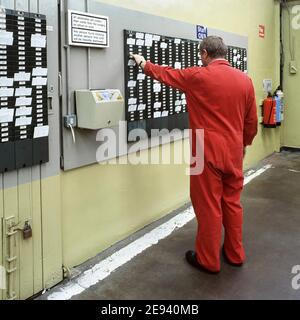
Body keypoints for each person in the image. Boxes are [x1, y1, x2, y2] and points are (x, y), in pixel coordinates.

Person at [130, 36, 258, 274]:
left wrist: (143, 63)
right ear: (225, 53)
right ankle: (235, 254)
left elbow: (166, 74)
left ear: (205, 54)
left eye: (201, 54)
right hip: (233, 151)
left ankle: (208, 260)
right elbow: (251, 123)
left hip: (204, 151)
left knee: (208, 205)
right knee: (232, 203)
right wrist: (244, 144)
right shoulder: (245, 81)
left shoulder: (198, 76)